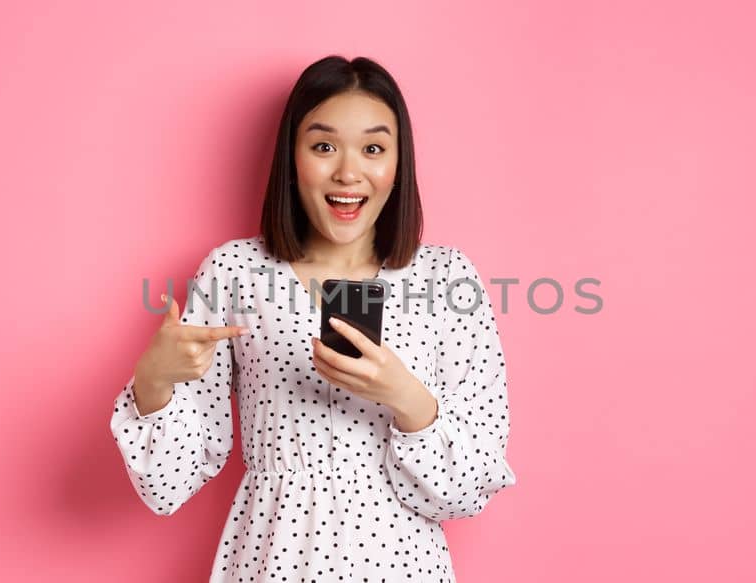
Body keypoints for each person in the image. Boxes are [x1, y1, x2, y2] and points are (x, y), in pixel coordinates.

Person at [110, 54, 517, 581]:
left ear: (398, 163)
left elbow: (469, 489)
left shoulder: (447, 278)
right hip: (271, 559)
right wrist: (154, 381)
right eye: (323, 146)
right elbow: (168, 484)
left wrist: (407, 399)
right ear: (292, 157)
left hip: (402, 564)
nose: (348, 172)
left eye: (373, 148)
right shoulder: (235, 270)